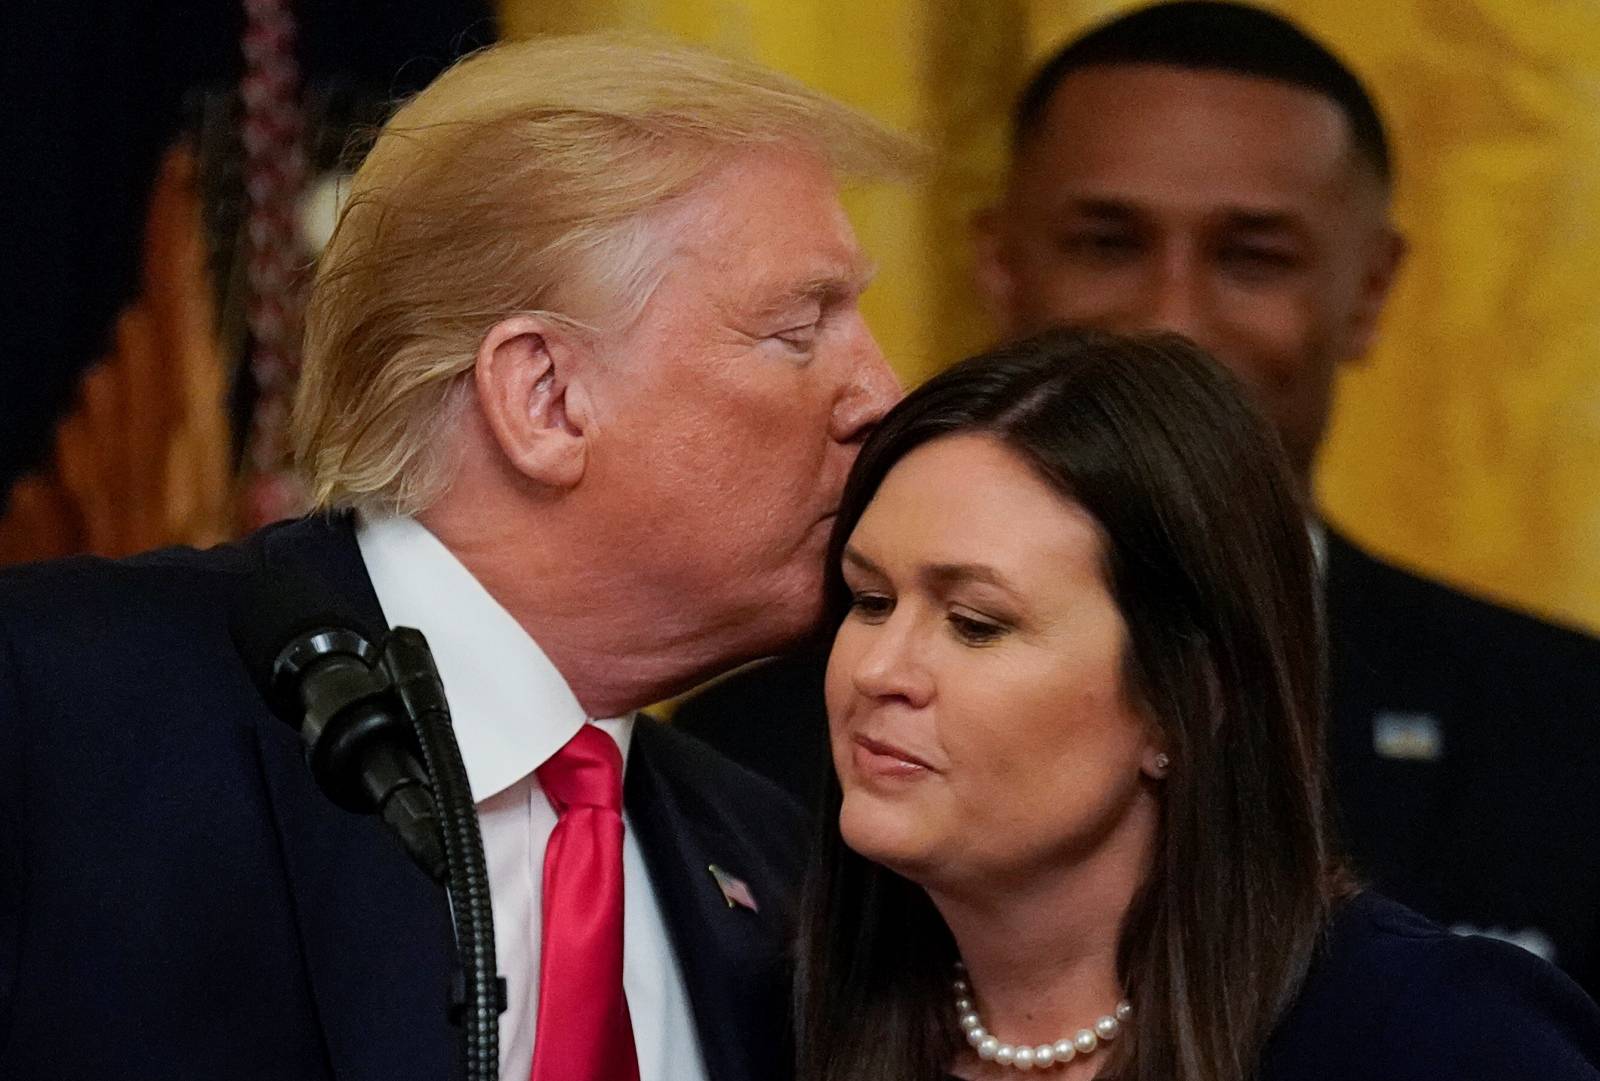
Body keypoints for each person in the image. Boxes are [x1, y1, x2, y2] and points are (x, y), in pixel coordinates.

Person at [0, 34, 913, 1081]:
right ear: (546, 398)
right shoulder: (58, 708)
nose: (879, 399)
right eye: (801, 330)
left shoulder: (773, 860)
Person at [675, 0, 1600, 993]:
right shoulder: (760, 749)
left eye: (1253, 256)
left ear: (1367, 290)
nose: (1170, 315)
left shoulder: (1566, 734)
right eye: (1107, 243)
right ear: (1000, 263)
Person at [795, 327, 1600, 1081]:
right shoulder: (774, 1015)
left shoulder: (1442, 1035)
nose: (880, 668)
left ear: (1189, 699)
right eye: (869, 600)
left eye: (975, 624)